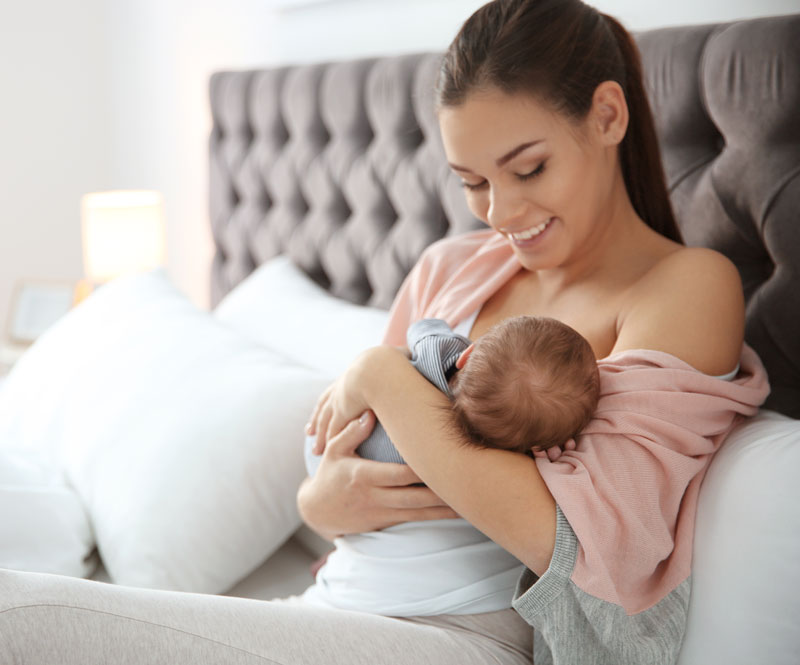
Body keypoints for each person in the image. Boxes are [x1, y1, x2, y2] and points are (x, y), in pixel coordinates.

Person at [0, 1, 768, 664]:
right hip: (343, 597)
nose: (499, 213)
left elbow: (576, 538)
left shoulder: (687, 286)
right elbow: (330, 478)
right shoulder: (450, 268)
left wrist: (385, 374)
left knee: (22, 617)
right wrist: (324, 502)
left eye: (527, 168)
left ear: (607, 114)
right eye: (472, 183)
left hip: (463, 632)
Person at [301, 315, 599, 617]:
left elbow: (422, 327)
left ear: (467, 354)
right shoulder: (511, 452)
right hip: (361, 507)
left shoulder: (438, 352)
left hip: (337, 445)